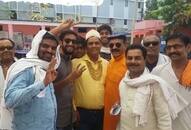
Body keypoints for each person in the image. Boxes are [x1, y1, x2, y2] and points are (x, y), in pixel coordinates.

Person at [1, 19, 75, 130]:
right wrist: (42, 83)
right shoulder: (27, 68)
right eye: (45, 46)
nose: (49, 50)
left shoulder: (45, 68)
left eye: (53, 48)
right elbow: (10, 100)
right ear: (36, 46)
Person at [118, 44, 173, 130]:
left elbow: (164, 117)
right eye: (129, 58)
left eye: (137, 58)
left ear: (145, 59)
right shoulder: (123, 82)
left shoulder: (154, 83)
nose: (133, 61)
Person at [152, 33, 191, 130]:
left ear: (188, 48)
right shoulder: (158, 71)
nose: (172, 50)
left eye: (177, 47)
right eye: (169, 48)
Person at [72, 29, 108, 130]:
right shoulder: (75, 63)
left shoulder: (107, 64)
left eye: (97, 43)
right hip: (82, 114)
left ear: (101, 45)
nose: (94, 46)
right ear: (86, 46)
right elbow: (69, 87)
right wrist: (73, 108)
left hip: (102, 113)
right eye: (90, 43)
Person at [54, 30, 85, 130]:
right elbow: (47, 89)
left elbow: (70, 89)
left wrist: (74, 110)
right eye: (67, 41)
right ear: (61, 42)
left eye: (74, 42)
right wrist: (70, 79)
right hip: (57, 117)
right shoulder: (54, 61)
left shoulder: (69, 60)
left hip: (69, 115)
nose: (71, 44)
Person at [103, 34, 127, 130]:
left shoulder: (129, 63)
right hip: (109, 111)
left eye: (118, 45)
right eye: (111, 45)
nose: (114, 47)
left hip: (121, 113)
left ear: (125, 45)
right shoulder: (111, 62)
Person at [0, 38, 16, 116]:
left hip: (20, 115)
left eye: (9, 48)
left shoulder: (24, 67)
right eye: (2, 48)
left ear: (14, 50)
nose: (6, 50)